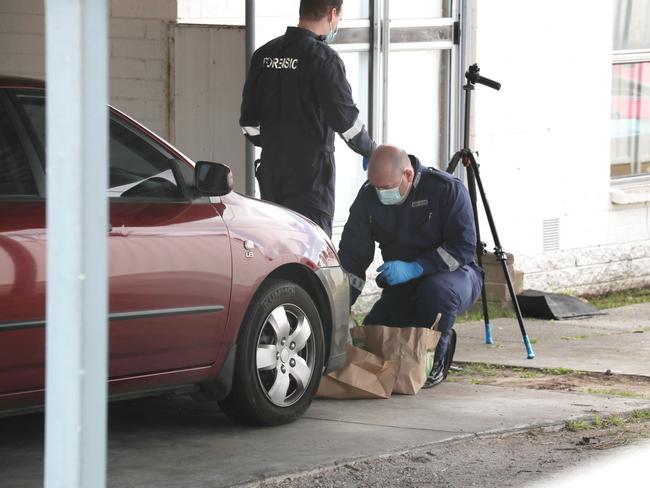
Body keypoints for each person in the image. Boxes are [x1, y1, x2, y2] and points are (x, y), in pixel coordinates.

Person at [338, 144, 483, 387]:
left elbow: (463, 248)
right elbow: (353, 257)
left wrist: (416, 267)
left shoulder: (446, 189)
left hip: (454, 275)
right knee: (375, 333)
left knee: (436, 293)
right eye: (375, 187)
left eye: (386, 188)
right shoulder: (368, 197)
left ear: (408, 175)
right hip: (404, 284)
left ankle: (436, 358)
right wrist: (339, 306)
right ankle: (423, 335)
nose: (381, 193)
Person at [239, 0, 376, 237]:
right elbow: (346, 122)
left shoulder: (264, 54)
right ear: (332, 13)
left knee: (276, 243)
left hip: (272, 170)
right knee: (311, 246)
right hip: (310, 176)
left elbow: (248, 122)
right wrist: (370, 150)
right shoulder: (324, 59)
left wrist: (275, 143)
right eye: (339, 17)